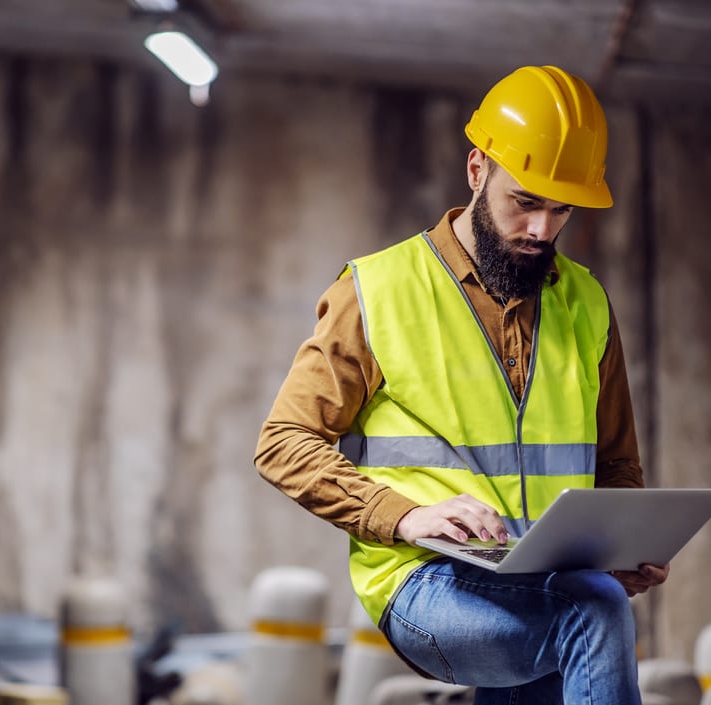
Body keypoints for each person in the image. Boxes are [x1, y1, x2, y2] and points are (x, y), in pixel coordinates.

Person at [253, 65, 668, 705]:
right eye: (525, 201)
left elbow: (616, 463)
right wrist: (409, 515)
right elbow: (282, 443)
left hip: (551, 579)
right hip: (425, 581)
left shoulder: (586, 304)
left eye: (562, 210)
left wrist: (622, 544)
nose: (541, 230)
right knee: (594, 612)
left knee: (590, 599)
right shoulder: (378, 291)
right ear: (477, 171)